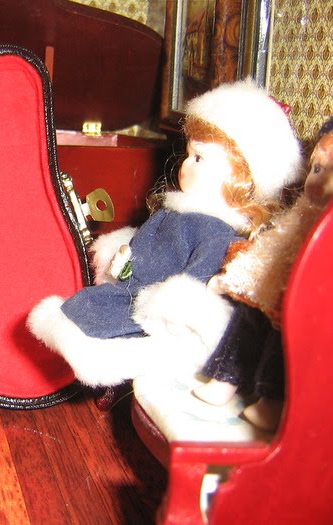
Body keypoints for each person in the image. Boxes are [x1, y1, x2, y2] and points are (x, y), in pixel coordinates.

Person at [26, 81, 302, 388]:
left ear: (237, 177)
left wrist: (168, 307)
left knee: (94, 332)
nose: (184, 165)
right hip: (129, 291)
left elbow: (196, 287)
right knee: (78, 312)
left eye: (198, 158)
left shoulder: (216, 233)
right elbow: (146, 243)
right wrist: (123, 254)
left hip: (147, 311)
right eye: (188, 154)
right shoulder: (175, 212)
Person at [194, 116, 333, 431]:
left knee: (280, 337)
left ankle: (272, 402)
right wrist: (236, 278)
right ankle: (225, 379)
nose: (317, 182)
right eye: (316, 169)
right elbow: (268, 254)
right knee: (247, 315)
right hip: (273, 290)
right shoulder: (301, 216)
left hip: (305, 306)